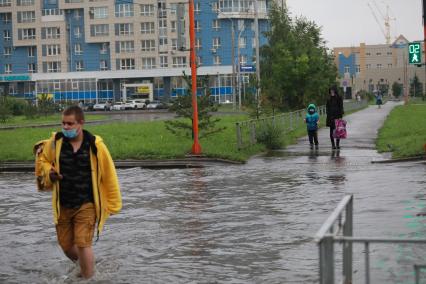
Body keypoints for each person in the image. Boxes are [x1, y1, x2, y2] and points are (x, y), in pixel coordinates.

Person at [38, 105, 122, 279]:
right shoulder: (56, 143)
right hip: (63, 204)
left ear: (81, 123)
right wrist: (49, 173)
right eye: (63, 123)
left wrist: (113, 205)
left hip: (87, 203)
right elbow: (43, 160)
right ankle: (89, 264)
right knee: (66, 246)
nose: (66, 127)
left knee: (83, 243)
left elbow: (109, 175)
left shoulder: (95, 146)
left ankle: (89, 279)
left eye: (70, 124)